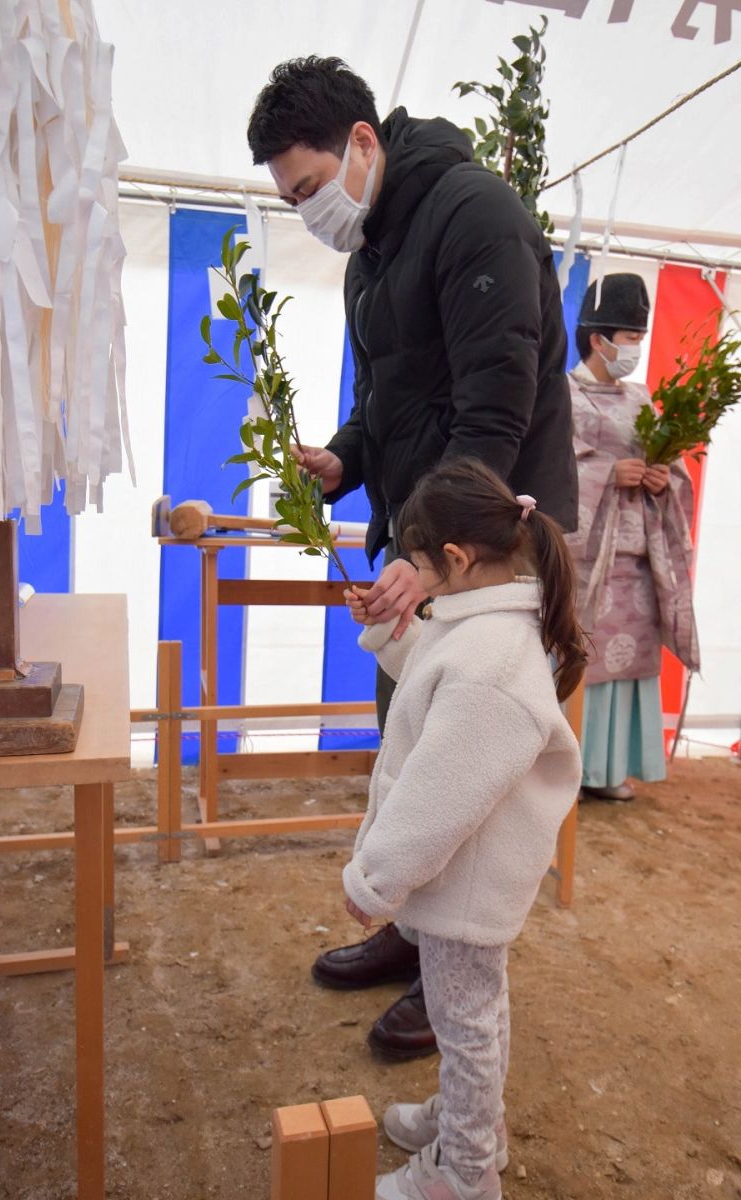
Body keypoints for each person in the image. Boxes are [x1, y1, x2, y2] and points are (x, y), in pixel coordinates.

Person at [247, 55, 578, 1057]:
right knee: (407, 738)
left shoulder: (473, 211)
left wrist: (440, 554)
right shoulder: (372, 256)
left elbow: (495, 402)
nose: (307, 211)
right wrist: (342, 460)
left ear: (361, 142)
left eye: (308, 187)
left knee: (465, 762)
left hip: (493, 542)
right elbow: (388, 401)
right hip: (428, 540)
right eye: (290, 199)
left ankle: (456, 971)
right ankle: (413, 931)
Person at [341, 457, 585, 1200]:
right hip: (469, 874)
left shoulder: (491, 663)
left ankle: (466, 1170)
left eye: (416, 566)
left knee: (466, 1019)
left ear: (454, 558)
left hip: (465, 879)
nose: (412, 578)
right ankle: (469, 1124)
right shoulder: (485, 627)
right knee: (472, 1011)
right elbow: (435, 672)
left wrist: (375, 877)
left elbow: (437, 796)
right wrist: (393, 632)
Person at [566, 274, 699, 801]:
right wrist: (606, 471)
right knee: (582, 656)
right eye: (629, 338)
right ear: (597, 339)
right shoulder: (562, 395)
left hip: (638, 552)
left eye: (640, 339)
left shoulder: (642, 398)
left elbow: (669, 463)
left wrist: (663, 477)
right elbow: (548, 466)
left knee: (629, 660)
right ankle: (567, 770)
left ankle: (609, 767)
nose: (636, 349)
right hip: (587, 559)